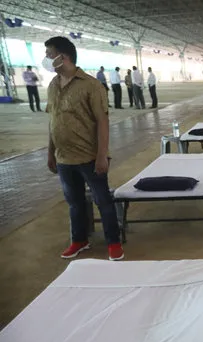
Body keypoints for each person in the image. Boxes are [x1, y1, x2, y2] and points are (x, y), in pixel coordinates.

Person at [43, 36, 123, 261]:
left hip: (89, 156)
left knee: (102, 201)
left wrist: (102, 156)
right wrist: (51, 152)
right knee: (74, 203)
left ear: (63, 56)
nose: (47, 60)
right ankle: (79, 240)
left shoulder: (90, 85)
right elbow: (53, 121)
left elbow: (102, 121)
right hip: (63, 158)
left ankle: (113, 243)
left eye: (49, 55)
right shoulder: (52, 85)